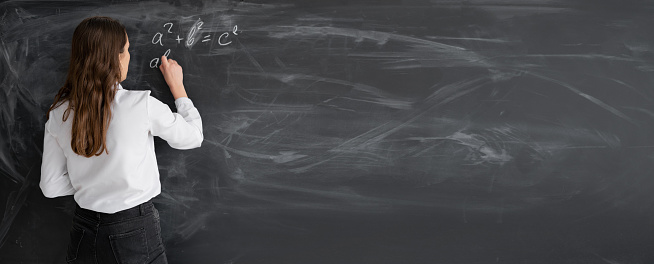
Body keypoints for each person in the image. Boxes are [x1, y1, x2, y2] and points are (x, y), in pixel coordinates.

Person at [40, 16, 203, 264]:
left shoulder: (58, 113)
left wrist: (93, 181)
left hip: (83, 232)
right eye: (126, 50)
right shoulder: (141, 105)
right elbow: (192, 138)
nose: (129, 56)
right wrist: (178, 88)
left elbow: (50, 187)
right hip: (133, 232)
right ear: (115, 58)